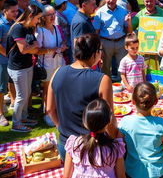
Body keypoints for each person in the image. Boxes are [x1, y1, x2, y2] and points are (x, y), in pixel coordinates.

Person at [47, 33, 114, 161]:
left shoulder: (58, 72)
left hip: (65, 144)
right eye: (100, 50)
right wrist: (116, 140)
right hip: (92, 146)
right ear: (95, 53)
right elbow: (109, 119)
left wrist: (61, 127)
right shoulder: (102, 80)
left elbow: (50, 109)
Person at [119, 82, 163, 178]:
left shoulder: (124, 122)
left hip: (132, 171)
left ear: (133, 101)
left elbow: (118, 145)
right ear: (156, 102)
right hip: (158, 172)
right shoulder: (161, 123)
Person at [64, 99, 126, 178]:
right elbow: (121, 176)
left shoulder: (74, 144)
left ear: (85, 121)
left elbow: (66, 176)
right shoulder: (116, 148)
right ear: (109, 121)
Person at [7, 5, 42, 132]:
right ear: (31, 16)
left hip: (27, 66)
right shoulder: (18, 28)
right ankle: (16, 123)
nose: (38, 21)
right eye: (37, 18)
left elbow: (35, 48)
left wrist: (32, 47)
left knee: (26, 94)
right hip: (17, 68)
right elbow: (23, 50)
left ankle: (23, 117)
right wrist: (33, 46)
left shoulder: (29, 27)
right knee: (21, 96)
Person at [36, 5, 67, 126]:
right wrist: (52, 49)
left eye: (54, 14)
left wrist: (63, 45)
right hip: (47, 64)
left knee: (58, 87)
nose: (53, 17)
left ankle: (56, 109)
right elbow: (38, 50)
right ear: (43, 17)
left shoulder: (56, 27)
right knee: (47, 89)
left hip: (59, 62)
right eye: (50, 15)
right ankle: (46, 113)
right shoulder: (40, 30)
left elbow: (62, 40)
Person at [93, 0, 131, 77]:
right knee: (105, 68)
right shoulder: (99, 12)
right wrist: (99, 49)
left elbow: (128, 30)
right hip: (106, 43)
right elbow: (96, 32)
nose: (111, 1)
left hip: (121, 42)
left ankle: (123, 87)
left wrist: (129, 22)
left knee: (123, 67)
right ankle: (106, 88)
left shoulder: (123, 11)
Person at [0, 0, 18, 126]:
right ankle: (1, 114)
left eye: (17, 10)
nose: (16, 13)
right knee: (1, 89)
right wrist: (8, 55)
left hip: (12, 61)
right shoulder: (1, 25)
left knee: (12, 83)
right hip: (3, 61)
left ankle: (13, 104)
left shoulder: (14, 23)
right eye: (13, 11)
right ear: (5, 11)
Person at [55, 0, 72, 64]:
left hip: (66, 42)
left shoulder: (60, 14)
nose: (66, 5)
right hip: (63, 44)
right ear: (62, 5)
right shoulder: (57, 16)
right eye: (65, 3)